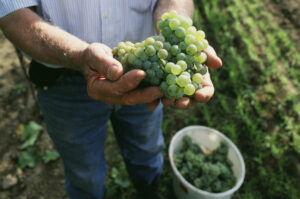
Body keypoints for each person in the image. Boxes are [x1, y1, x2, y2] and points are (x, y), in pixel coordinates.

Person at [0, 0, 222, 198]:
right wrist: (79, 56)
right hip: (64, 79)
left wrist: (175, 31)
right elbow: (13, 14)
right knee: (84, 172)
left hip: (147, 71)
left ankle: (149, 190)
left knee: (146, 150)